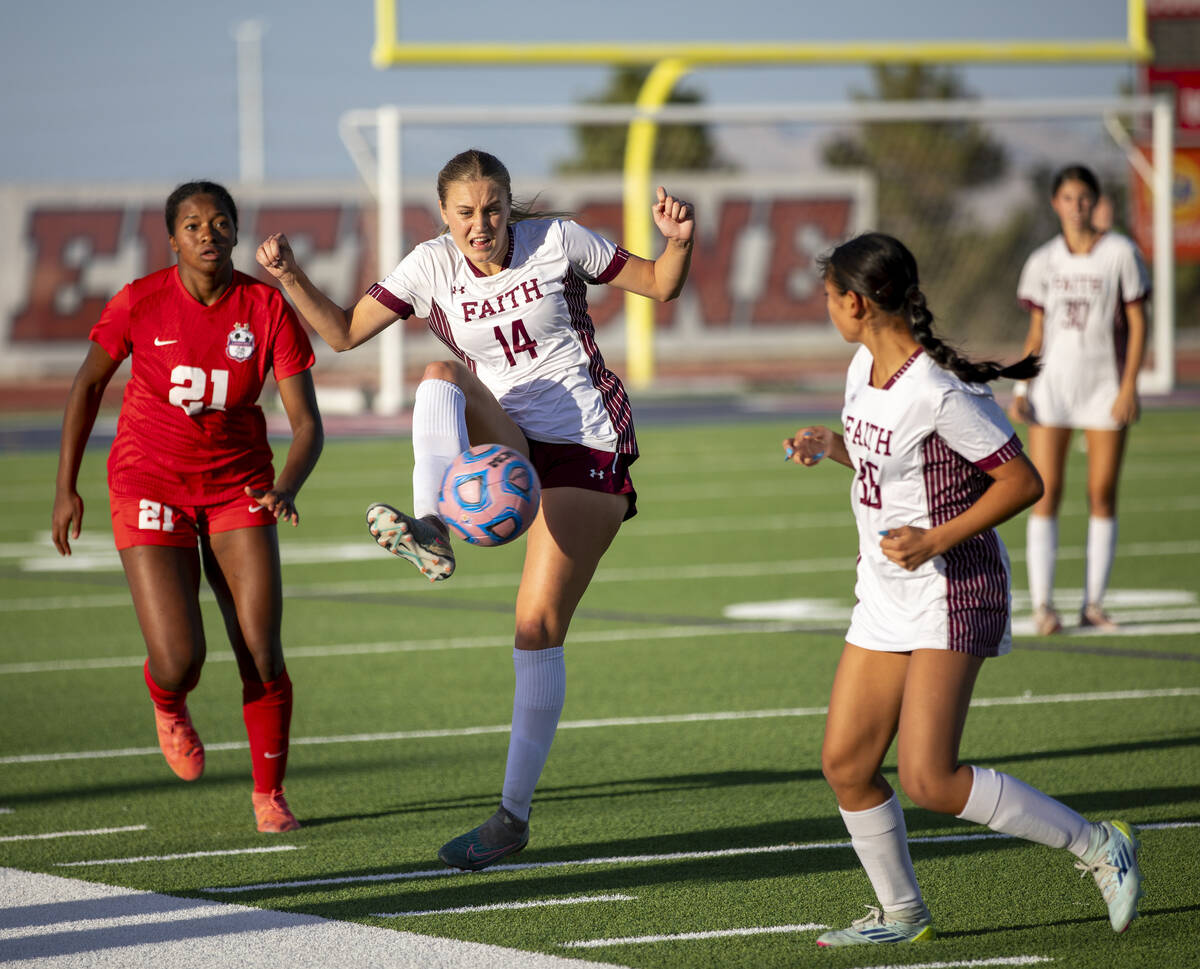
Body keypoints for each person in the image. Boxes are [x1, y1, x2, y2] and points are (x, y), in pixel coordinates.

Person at [256, 148, 694, 869]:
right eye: (465, 212)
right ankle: (433, 527)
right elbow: (339, 332)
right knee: (437, 374)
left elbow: (660, 286)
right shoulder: (430, 264)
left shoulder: (557, 239)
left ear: (508, 203)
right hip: (511, 434)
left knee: (535, 627)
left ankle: (511, 817)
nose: (480, 224)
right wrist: (288, 275)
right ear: (444, 215)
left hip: (587, 440)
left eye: (492, 208)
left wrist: (678, 239)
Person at [784, 233, 1143, 947]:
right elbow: (887, 463)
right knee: (847, 764)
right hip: (885, 591)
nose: (826, 307)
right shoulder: (863, 368)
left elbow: (1023, 481)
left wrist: (934, 540)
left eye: (829, 296)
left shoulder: (939, 391)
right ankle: (901, 913)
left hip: (953, 588)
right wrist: (833, 446)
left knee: (930, 776)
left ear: (856, 302)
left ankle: (1101, 844)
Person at [53, 181, 324, 834]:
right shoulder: (139, 302)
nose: (209, 232)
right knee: (180, 658)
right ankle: (168, 700)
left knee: (261, 650)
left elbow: (307, 423)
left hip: (240, 488)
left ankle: (269, 792)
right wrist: (66, 486)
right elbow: (88, 382)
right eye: (194, 224)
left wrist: (285, 485)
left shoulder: (266, 308)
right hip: (150, 483)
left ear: (236, 232)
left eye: (221, 221)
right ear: (172, 239)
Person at [1010, 164, 1149, 636]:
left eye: (1084, 197)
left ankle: (1093, 604)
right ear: (1055, 203)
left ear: (1096, 201)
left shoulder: (1121, 253)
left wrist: (1129, 386)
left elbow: (1137, 322)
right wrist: (1022, 387)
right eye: (1067, 198)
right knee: (1044, 492)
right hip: (1052, 389)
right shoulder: (1043, 261)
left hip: (1104, 386)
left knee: (1101, 493)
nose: (1076, 206)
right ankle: (1044, 606)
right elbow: (1035, 333)